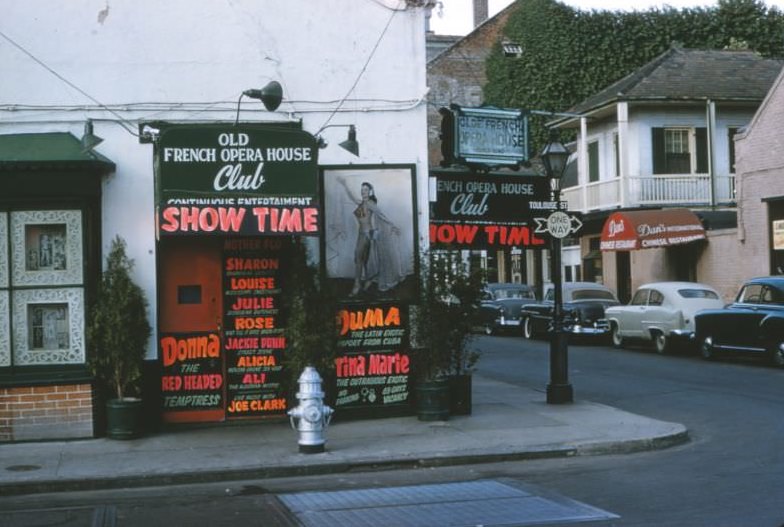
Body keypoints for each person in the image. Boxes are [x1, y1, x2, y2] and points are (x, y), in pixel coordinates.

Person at [337, 176, 404, 296]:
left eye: (366, 190)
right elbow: (352, 197)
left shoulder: (370, 203)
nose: (363, 192)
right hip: (362, 234)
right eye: (362, 190)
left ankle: (357, 285)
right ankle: (366, 282)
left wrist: (392, 225)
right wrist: (345, 185)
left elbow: (381, 214)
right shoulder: (362, 202)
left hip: (368, 235)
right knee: (364, 260)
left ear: (370, 192)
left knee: (360, 258)